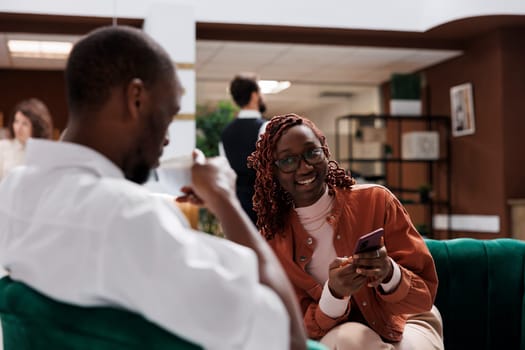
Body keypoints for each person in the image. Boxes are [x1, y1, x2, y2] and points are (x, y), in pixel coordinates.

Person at [0, 26, 309, 350]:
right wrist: (223, 198)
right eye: (168, 114)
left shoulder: (13, 193)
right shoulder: (129, 218)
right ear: (136, 99)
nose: (166, 138)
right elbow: (288, 336)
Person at [248, 113, 444, 349]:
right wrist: (334, 294)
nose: (305, 167)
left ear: (325, 152)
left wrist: (389, 273)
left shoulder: (376, 200)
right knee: (351, 338)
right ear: (273, 172)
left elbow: (422, 297)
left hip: (406, 320)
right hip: (339, 336)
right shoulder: (272, 242)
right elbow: (293, 328)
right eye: (288, 161)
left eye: (312, 153)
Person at [220, 73, 268, 224]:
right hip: (262, 206)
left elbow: (226, 170)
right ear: (254, 95)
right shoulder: (265, 127)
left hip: (236, 207)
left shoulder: (226, 132)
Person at [0, 98, 53, 180]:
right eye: (16, 121)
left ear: (36, 127)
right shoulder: (3, 147)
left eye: (25, 124)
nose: (18, 128)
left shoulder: (46, 154)